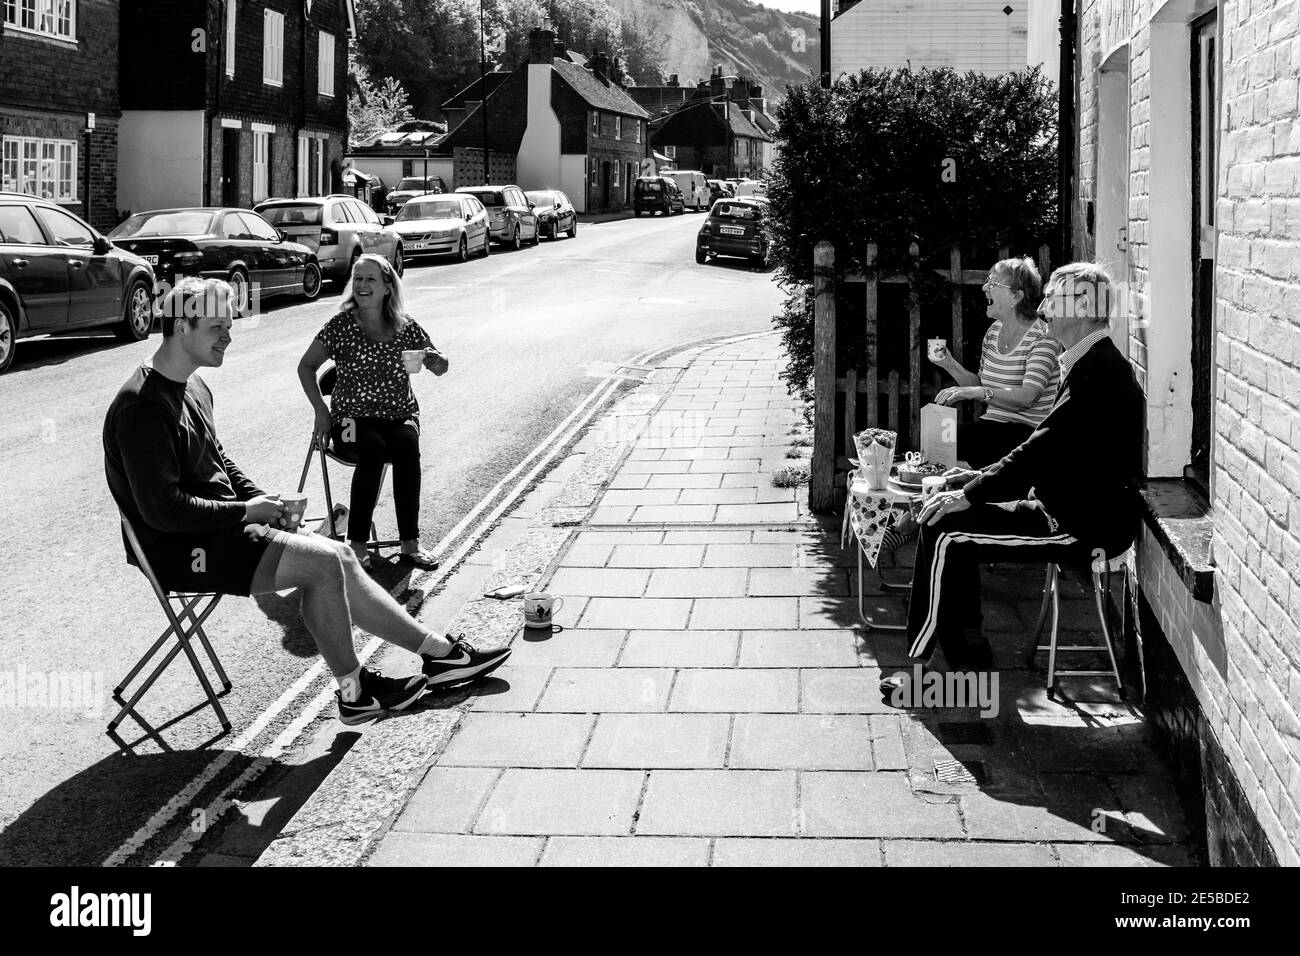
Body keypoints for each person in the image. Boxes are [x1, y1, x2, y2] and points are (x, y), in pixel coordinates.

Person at [104, 277, 509, 726]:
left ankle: (441, 654)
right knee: (323, 564)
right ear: (182, 327)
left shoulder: (193, 386)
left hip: (222, 530)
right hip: (181, 550)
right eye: (217, 325)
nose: (229, 335)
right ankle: (355, 692)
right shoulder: (142, 406)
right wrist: (246, 512)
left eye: (230, 323)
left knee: (339, 554)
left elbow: (218, 459)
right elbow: (164, 511)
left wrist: (258, 497)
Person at [883, 262, 1144, 686]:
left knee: (948, 530)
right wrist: (964, 483)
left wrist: (970, 491)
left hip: (1078, 524)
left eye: (1052, 300)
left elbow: (1040, 446)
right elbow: (1046, 449)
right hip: (1060, 506)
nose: (1043, 309)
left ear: (1081, 305)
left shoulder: (1098, 371)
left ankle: (920, 669)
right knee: (945, 515)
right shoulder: (1087, 361)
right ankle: (962, 651)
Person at [298, 254, 446, 570]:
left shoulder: (406, 326)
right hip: (350, 418)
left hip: (398, 414)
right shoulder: (341, 325)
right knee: (373, 449)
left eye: (370, 280)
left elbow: (441, 364)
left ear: (387, 288)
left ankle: (411, 545)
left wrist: (435, 361)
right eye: (359, 279)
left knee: (407, 445)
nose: (362, 285)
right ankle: (357, 546)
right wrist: (321, 411)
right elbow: (306, 366)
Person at [930, 257, 1060, 472]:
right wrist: (949, 364)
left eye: (992, 284)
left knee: (959, 452)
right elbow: (980, 384)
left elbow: (1028, 396)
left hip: (1027, 433)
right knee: (936, 442)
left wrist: (977, 392)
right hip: (992, 426)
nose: (984, 288)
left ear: (1016, 296)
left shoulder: (1043, 337)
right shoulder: (993, 332)